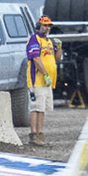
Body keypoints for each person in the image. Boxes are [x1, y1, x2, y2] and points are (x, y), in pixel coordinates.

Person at [23, 15, 59, 146]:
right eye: (44, 25)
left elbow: (57, 58)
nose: (47, 28)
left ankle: (40, 133)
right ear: (39, 26)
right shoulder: (34, 39)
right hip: (37, 80)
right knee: (36, 107)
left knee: (42, 108)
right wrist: (45, 74)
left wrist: (59, 47)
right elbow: (36, 59)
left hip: (47, 82)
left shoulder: (49, 42)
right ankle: (34, 134)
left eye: (49, 26)